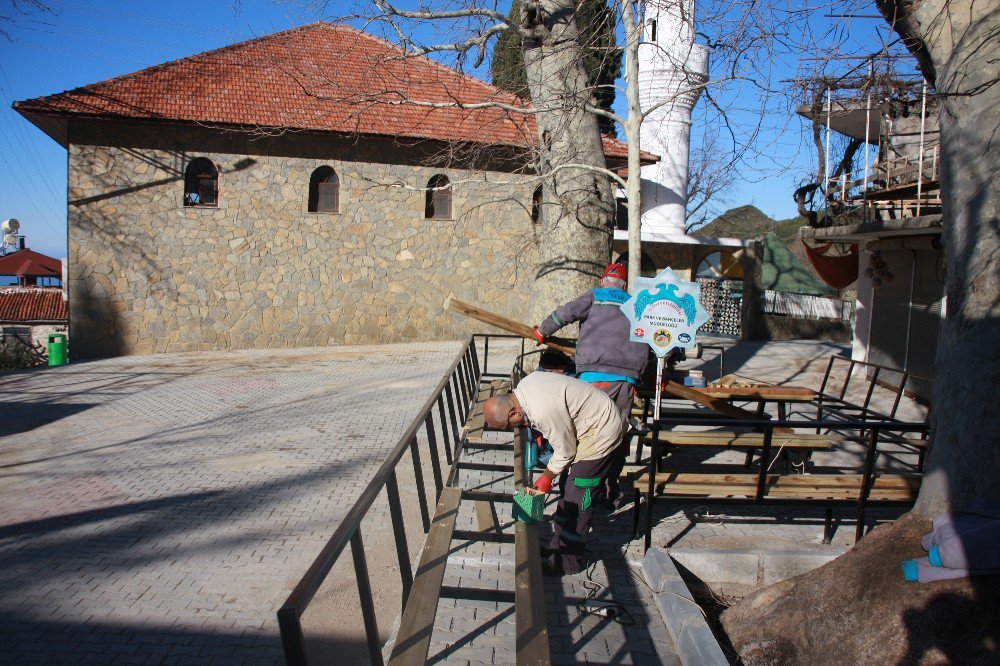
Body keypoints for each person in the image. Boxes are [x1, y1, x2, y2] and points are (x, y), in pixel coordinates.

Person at [483, 371, 624, 575]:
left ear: (514, 413)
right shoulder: (525, 387)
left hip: (601, 431)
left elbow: (566, 451)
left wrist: (546, 477)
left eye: (510, 426)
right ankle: (556, 546)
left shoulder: (541, 411)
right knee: (568, 487)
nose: (513, 429)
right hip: (589, 422)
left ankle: (567, 561)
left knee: (578, 495)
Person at [533, 262, 649, 507]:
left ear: (602, 281)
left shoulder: (595, 297)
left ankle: (573, 487)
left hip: (593, 380)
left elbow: (566, 313)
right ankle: (609, 488)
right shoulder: (636, 305)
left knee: (583, 432)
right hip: (625, 383)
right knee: (617, 435)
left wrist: (543, 330)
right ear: (625, 285)